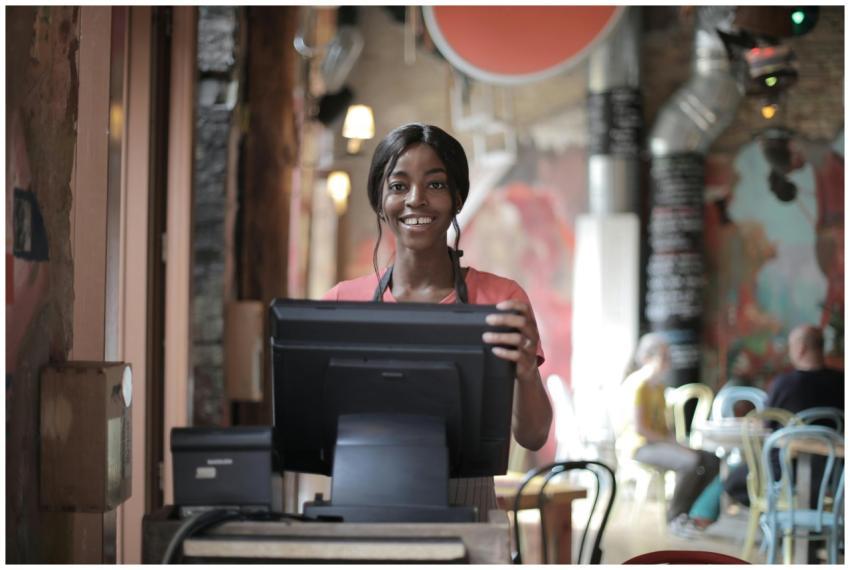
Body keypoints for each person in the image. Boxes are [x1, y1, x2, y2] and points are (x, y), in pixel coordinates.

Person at [322, 123, 553, 521]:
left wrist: (527, 371)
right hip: (363, 504)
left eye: (435, 185)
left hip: (469, 509)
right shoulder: (342, 303)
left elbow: (532, 436)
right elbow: (316, 432)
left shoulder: (502, 300)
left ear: (458, 198)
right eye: (398, 186)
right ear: (379, 201)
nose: (416, 199)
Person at [671, 324, 845, 537]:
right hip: (834, 474)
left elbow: (765, 426)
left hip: (784, 471)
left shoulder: (786, 383)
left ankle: (706, 521)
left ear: (800, 349)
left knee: (734, 480)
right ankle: (784, 526)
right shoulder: (842, 381)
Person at [618, 333, 720, 526]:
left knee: (711, 460)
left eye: (669, 357)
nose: (668, 362)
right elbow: (641, 429)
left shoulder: (659, 387)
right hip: (639, 447)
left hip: (659, 443)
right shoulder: (638, 385)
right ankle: (675, 516)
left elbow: (664, 428)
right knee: (690, 462)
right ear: (647, 358)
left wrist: (679, 443)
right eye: (664, 357)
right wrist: (674, 445)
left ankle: (688, 512)